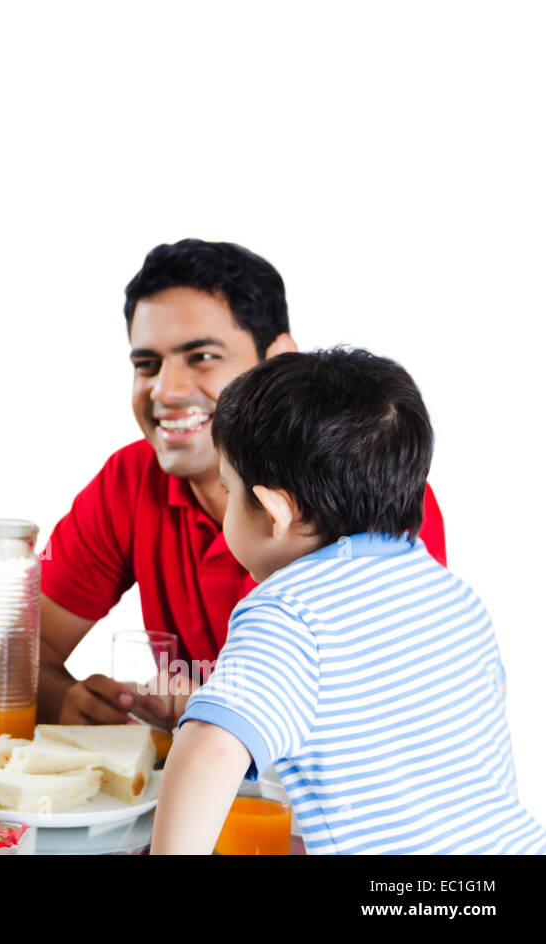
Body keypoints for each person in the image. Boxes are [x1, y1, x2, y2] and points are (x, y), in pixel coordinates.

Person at [38, 239, 447, 728]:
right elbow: (20, 654)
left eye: (203, 357)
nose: (165, 390)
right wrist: (67, 700)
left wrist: (214, 709)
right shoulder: (128, 480)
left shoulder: (370, 490)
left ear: (280, 359)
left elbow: (398, 708)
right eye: (146, 364)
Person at [151, 348, 545, 854]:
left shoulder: (288, 611)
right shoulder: (456, 597)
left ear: (274, 510)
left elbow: (208, 747)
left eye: (229, 492)